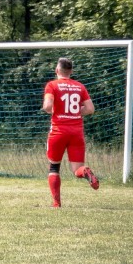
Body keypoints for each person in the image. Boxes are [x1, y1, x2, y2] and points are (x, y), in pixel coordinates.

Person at [42, 57, 100, 207]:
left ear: (57, 70)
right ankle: (85, 171)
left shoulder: (52, 85)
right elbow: (90, 109)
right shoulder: (80, 87)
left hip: (58, 131)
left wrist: (55, 109)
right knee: (77, 170)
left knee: (54, 167)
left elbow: (48, 107)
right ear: (71, 71)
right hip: (76, 132)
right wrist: (74, 113)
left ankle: (56, 203)